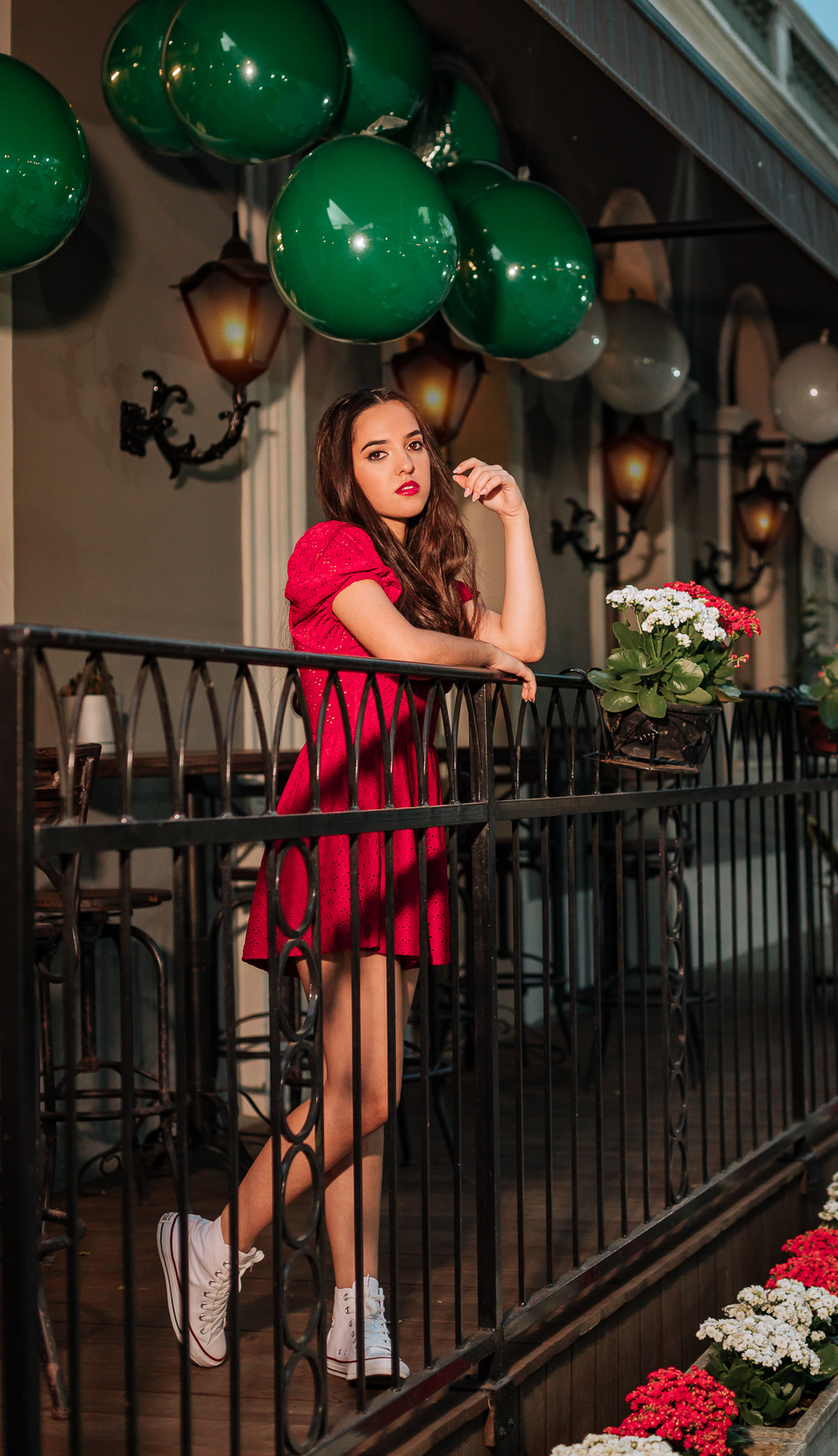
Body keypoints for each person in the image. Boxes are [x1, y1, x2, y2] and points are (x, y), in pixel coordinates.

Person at [157, 388, 545, 1379]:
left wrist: (515, 520)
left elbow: (528, 642)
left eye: (415, 444)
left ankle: (350, 1310)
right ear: (347, 471)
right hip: (343, 823)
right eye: (379, 452)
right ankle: (213, 1243)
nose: (406, 464)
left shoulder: (423, 571)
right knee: (363, 1093)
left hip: (405, 836)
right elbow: (413, 654)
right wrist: (487, 658)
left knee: (362, 1092)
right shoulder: (332, 549)